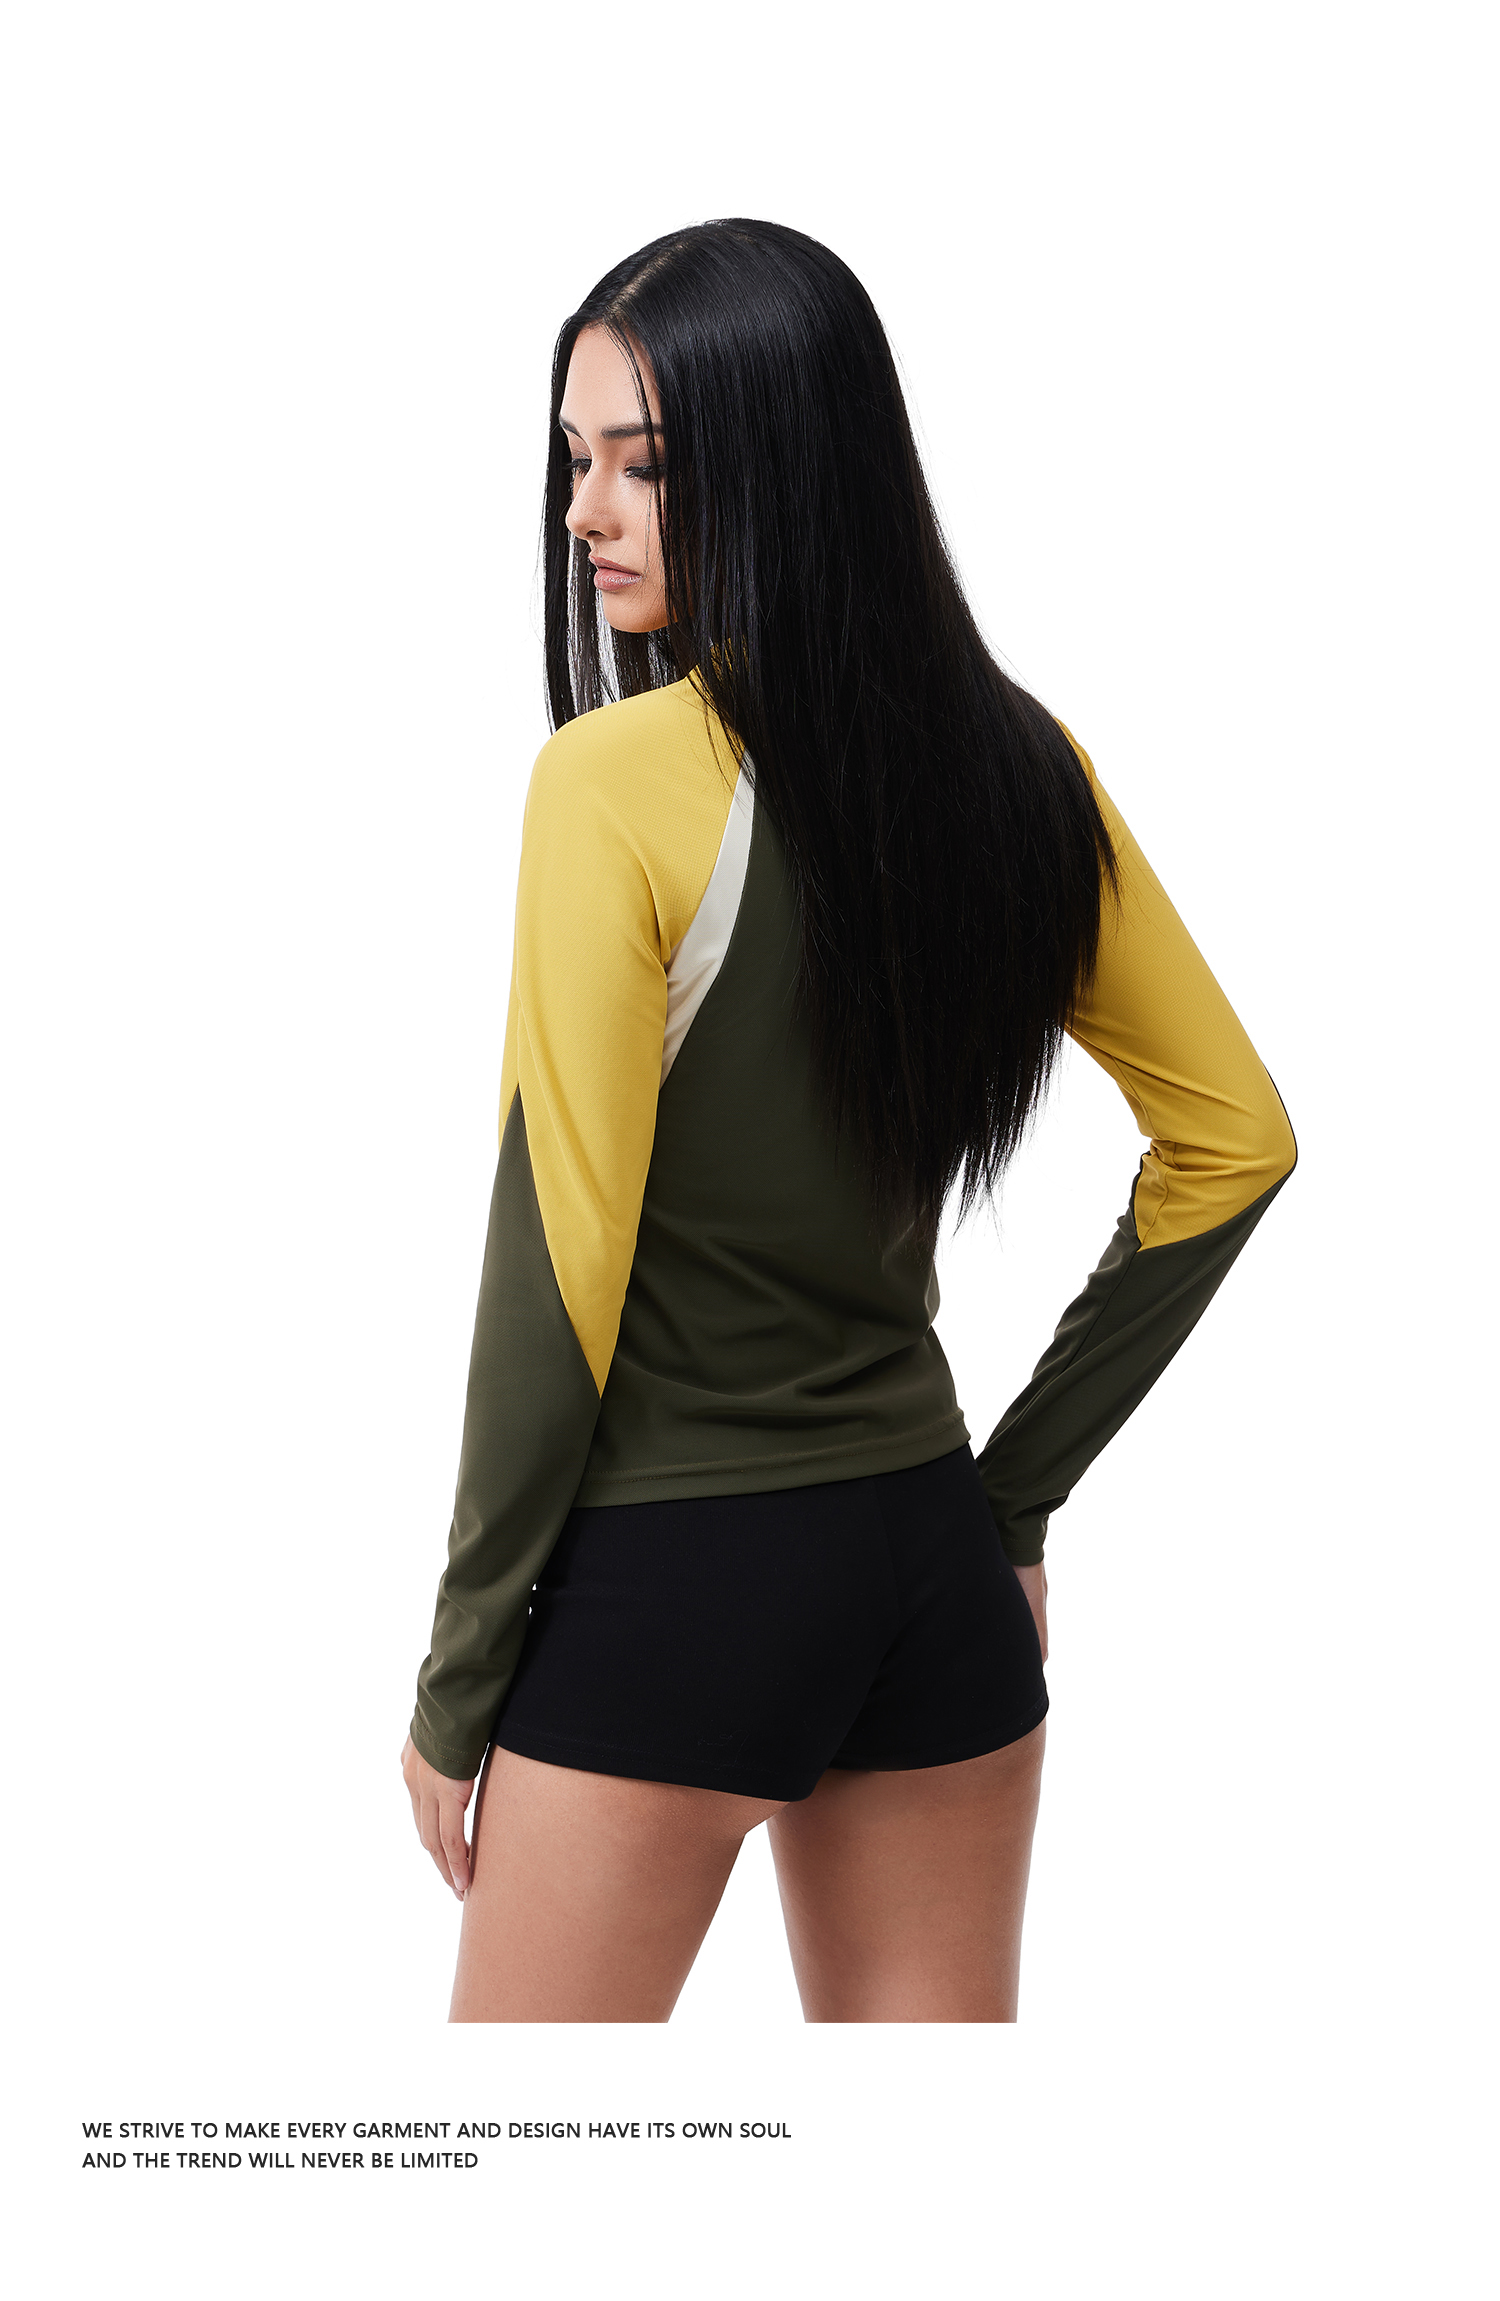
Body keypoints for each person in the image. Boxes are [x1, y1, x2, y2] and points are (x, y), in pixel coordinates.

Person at [400, 220, 1296, 2023]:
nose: (585, 512)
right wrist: (1010, 1498)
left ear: (786, 463)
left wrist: (458, 1674)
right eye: (575, 458)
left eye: (646, 464)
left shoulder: (610, 784)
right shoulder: (1020, 766)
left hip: (675, 1593)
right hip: (928, 1582)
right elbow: (1236, 1138)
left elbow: (562, 1273)